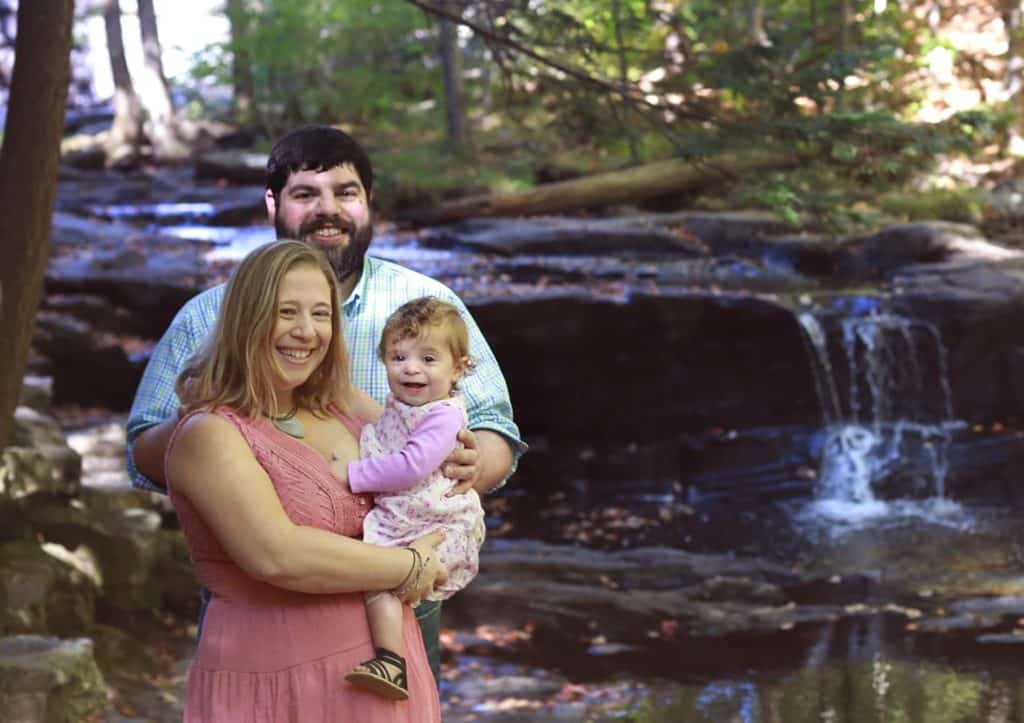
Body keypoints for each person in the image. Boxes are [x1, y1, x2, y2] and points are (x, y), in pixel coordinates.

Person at [126, 124, 527, 682]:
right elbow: (144, 454)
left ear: (367, 202)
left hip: (400, 585)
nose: (328, 210)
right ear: (273, 204)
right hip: (264, 604)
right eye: (306, 194)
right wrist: (224, 408)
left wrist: (471, 460)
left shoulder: (428, 304)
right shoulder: (206, 316)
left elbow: (493, 428)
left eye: (346, 192)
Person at [165, 240, 444, 721]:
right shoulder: (209, 433)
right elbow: (278, 555)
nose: (306, 331)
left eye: (321, 314)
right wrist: (410, 567)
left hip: (388, 680)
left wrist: (458, 451)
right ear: (246, 319)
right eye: (286, 312)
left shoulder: (337, 402)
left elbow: (421, 454)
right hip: (281, 685)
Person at [337, 297, 486, 700]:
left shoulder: (443, 415)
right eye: (398, 356)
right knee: (381, 585)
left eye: (428, 358)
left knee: (384, 582)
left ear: (458, 368)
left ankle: (391, 661)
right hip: (409, 518)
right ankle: (392, 661)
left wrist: (352, 474)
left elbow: (411, 466)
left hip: (439, 524)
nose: (411, 368)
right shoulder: (401, 407)